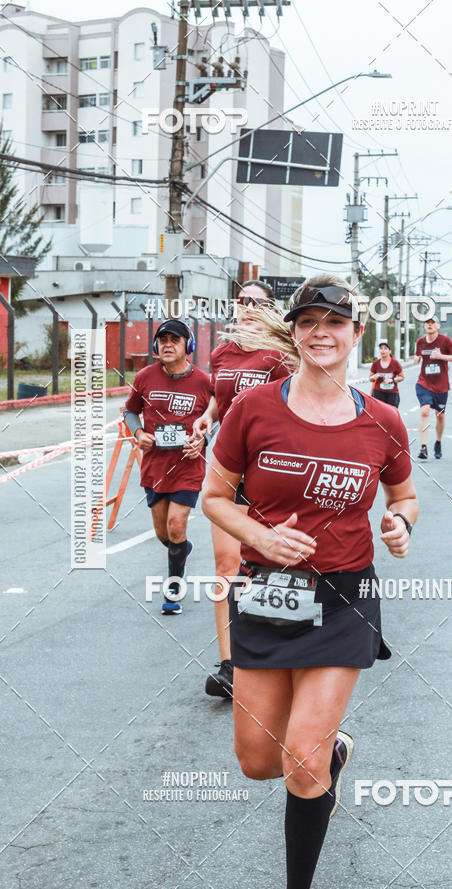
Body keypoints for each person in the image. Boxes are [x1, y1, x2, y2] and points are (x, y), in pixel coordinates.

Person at [201, 274, 418, 889]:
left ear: (355, 334)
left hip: (344, 597)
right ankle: (335, 754)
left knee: (300, 760)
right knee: (259, 762)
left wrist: (399, 522)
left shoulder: (382, 421)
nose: (320, 334)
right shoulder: (253, 408)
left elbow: (405, 495)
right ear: (294, 334)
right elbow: (215, 497)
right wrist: (264, 540)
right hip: (267, 593)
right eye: (308, 323)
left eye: (334, 323)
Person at [193, 280, 296, 699]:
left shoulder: (280, 354)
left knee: (272, 563)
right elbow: (222, 398)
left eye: (257, 303)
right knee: (226, 565)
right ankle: (230, 664)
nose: (248, 308)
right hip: (228, 467)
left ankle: (278, 651)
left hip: (271, 471)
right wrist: (207, 417)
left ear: (270, 309)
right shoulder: (222, 353)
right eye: (242, 302)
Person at [124, 319, 211, 615]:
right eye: (163, 340)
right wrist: (138, 434)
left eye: (175, 340)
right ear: (155, 346)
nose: (168, 345)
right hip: (154, 467)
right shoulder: (145, 376)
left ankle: (174, 587)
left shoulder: (203, 381)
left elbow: (218, 413)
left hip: (188, 466)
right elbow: (130, 411)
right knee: (164, 534)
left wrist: (204, 439)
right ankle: (181, 551)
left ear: (189, 346)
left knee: (177, 525)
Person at [414, 315, 452, 460]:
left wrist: (441, 356)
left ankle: (438, 442)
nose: (429, 325)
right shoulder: (420, 342)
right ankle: (423, 447)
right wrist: (417, 358)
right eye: (427, 323)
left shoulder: (444, 340)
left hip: (441, 385)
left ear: (438, 326)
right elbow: (418, 355)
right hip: (424, 382)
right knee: (424, 411)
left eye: (432, 323)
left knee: (440, 415)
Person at [369, 341, 404, 407]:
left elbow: (402, 377)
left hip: (392, 393)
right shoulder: (376, 363)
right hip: (378, 392)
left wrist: (392, 380)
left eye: (385, 348)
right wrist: (373, 377)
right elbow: (370, 378)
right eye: (381, 348)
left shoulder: (395, 363)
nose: (383, 350)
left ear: (389, 351)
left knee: (391, 415)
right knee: (379, 414)